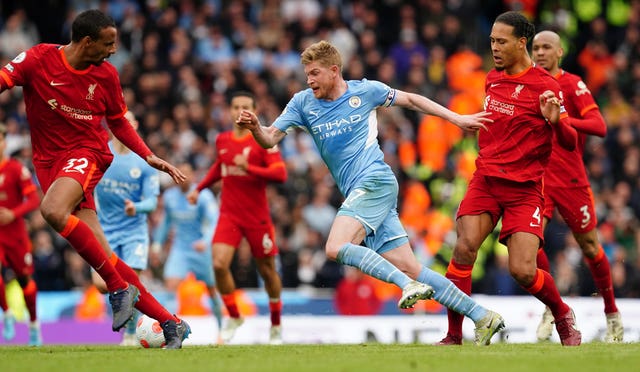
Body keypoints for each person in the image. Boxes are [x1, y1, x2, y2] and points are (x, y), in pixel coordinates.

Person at [236, 40, 505, 346]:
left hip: (375, 180)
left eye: (314, 73)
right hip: (361, 191)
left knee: (335, 247)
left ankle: (405, 285)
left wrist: (456, 119)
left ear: (334, 71)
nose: (309, 80)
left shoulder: (365, 92)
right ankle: (483, 316)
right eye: (306, 74)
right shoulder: (302, 103)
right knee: (411, 266)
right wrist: (256, 127)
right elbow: (270, 139)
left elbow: (413, 100)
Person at [0, 9, 190, 348]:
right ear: (87, 42)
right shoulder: (38, 58)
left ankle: (119, 290)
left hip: (87, 154)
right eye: (109, 43)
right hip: (49, 164)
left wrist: (148, 155)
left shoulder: (106, 76)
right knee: (108, 260)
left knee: (53, 212)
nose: (114, 49)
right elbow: (3, 79)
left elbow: (117, 122)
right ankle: (171, 322)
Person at [437, 11, 582, 346]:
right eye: (491, 41)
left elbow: (570, 143)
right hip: (487, 179)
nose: (495, 48)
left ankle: (561, 313)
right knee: (463, 249)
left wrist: (557, 121)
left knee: (522, 271)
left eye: (501, 42)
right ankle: (454, 335)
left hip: (524, 190)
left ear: (521, 43)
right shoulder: (493, 78)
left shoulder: (547, 87)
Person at [531, 30, 623, 343]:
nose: (540, 53)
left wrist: (562, 120)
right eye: (535, 48)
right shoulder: (528, 84)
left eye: (546, 48)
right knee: (530, 245)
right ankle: (552, 307)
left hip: (571, 179)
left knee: (589, 247)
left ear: (559, 53)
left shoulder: (571, 84)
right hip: (539, 178)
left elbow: (599, 126)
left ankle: (612, 313)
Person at [187, 91, 287, 345]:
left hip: (257, 217)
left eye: (246, 107)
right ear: (229, 111)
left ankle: (275, 324)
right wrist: (199, 189)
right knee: (219, 264)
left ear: (254, 111)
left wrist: (248, 168)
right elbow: (220, 166)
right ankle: (233, 315)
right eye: (235, 107)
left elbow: (280, 174)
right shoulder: (222, 139)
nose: (240, 111)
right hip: (229, 214)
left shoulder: (264, 139)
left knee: (267, 271)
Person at [93, 110, 160, 346]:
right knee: (101, 284)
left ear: (135, 125)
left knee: (132, 283)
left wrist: (137, 207)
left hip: (134, 232)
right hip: (104, 230)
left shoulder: (145, 161)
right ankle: (131, 321)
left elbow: (152, 201)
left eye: (127, 122)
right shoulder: (101, 152)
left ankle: (132, 332)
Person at [153, 162, 224, 344]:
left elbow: (213, 220)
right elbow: (166, 223)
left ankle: (222, 331)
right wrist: (157, 245)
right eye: (180, 173)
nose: (183, 177)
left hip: (201, 250)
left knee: (212, 290)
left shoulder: (203, 195)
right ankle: (171, 333)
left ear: (192, 176)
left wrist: (205, 241)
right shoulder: (169, 197)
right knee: (171, 286)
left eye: (186, 173)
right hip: (180, 249)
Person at [0, 123, 42, 346]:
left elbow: (34, 199)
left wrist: (13, 214)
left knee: (24, 280)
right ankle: (6, 313)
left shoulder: (16, 169)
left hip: (15, 234)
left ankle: (34, 325)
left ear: (4, 142)